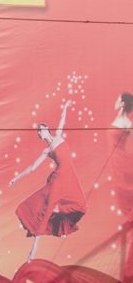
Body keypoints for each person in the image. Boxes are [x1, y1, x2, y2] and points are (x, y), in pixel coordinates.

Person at [9, 100, 87, 263]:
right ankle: (34, 248)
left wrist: (65, 106)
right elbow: (32, 167)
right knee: (44, 211)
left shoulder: (58, 136)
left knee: (81, 205)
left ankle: (57, 209)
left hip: (69, 176)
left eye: (40, 130)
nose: (39, 133)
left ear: (46, 129)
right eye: (38, 132)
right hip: (58, 179)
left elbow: (62, 119)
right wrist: (17, 177)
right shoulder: (46, 151)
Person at [108, 92, 133, 283]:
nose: (115, 101)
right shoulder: (121, 121)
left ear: (122, 103)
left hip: (124, 168)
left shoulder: (127, 123)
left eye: (117, 99)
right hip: (116, 167)